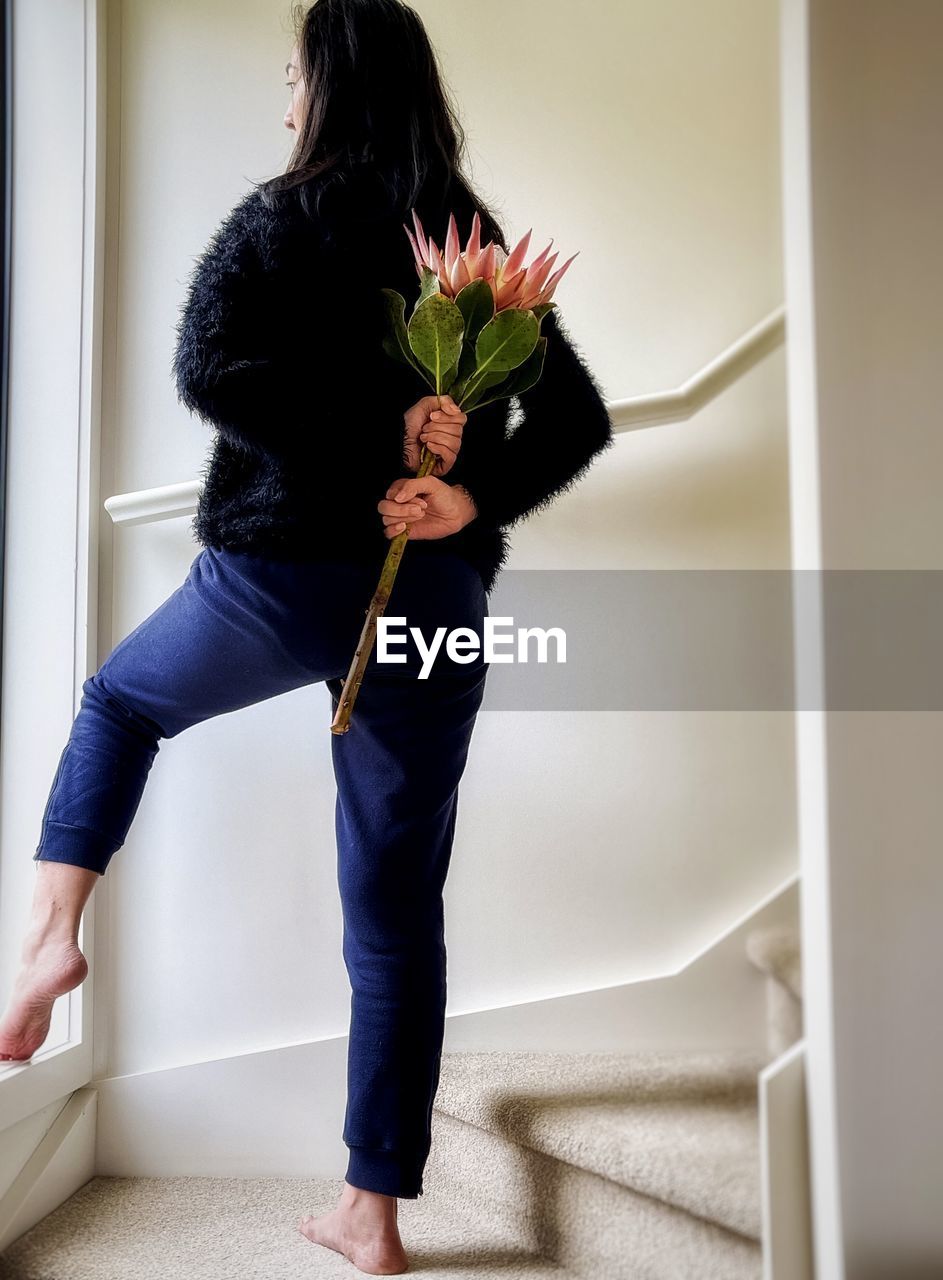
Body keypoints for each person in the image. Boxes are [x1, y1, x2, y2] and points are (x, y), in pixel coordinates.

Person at [0, 0, 615, 1274]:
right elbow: (575, 418)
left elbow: (209, 365)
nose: (284, 97)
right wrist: (456, 492)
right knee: (396, 911)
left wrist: (365, 454)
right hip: (428, 595)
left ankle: (51, 936)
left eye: (292, 73)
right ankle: (371, 1213)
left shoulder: (282, 216)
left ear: (328, 81)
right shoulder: (470, 238)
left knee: (119, 705)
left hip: (280, 579)